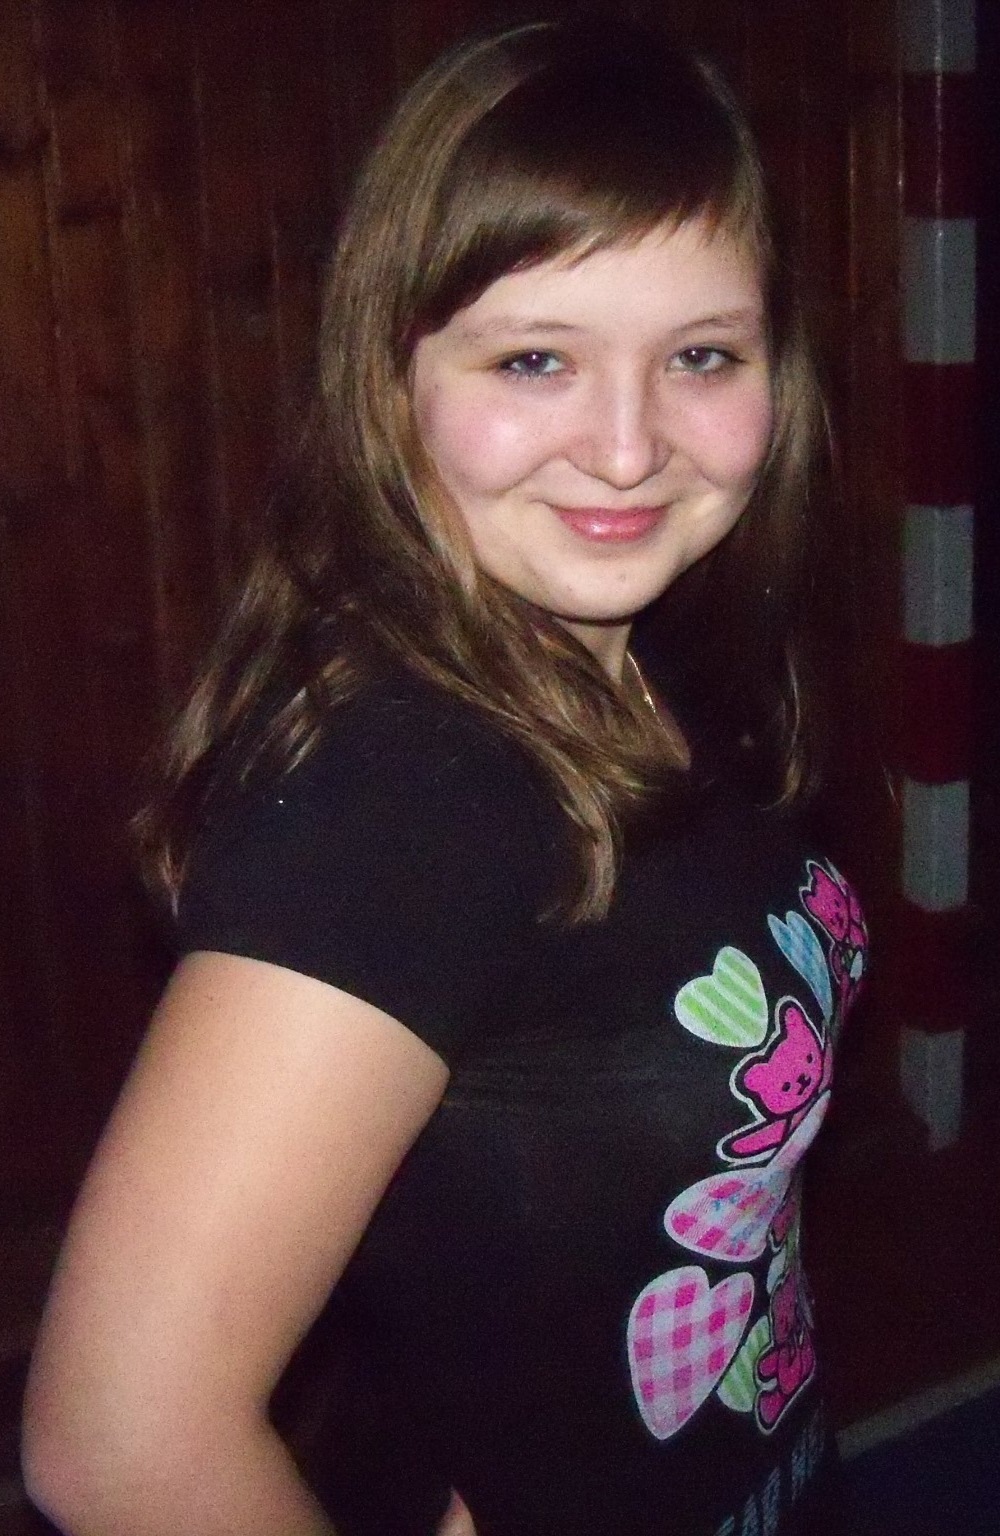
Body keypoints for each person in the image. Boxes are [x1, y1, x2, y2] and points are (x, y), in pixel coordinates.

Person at [22, 16, 865, 1536]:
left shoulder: (662, 657)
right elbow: (122, 1442)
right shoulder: (405, 790)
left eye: (701, 356)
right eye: (535, 359)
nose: (628, 449)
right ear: (390, 379)